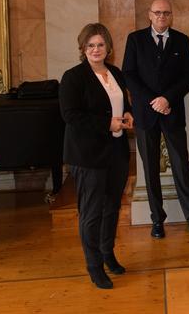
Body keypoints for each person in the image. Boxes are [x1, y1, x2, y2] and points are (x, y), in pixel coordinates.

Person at [122, 0, 189, 240]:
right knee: (150, 169)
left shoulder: (181, 40)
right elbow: (129, 74)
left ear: (171, 16)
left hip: (172, 113)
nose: (162, 17)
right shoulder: (135, 39)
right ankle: (157, 220)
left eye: (166, 13)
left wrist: (167, 99)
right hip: (145, 114)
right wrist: (154, 100)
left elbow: (188, 77)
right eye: (158, 13)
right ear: (149, 15)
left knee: (182, 166)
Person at [59, 23, 133, 289]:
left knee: (112, 207)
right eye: (90, 45)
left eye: (100, 45)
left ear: (108, 48)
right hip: (87, 155)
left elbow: (124, 103)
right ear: (83, 48)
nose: (96, 49)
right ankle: (93, 266)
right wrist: (107, 124)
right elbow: (70, 116)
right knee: (91, 212)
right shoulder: (73, 77)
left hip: (116, 152)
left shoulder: (115, 73)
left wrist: (128, 114)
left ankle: (107, 254)